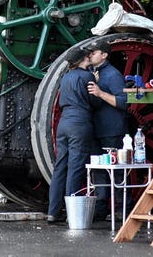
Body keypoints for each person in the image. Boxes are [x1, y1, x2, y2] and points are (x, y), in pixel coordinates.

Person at [46, 47, 97, 223]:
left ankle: (52, 212)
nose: (90, 57)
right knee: (75, 167)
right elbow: (95, 101)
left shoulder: (66, 77)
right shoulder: (87, 76)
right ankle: (71, 214)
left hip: (64, 123)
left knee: (60, 167)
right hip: (79, 122)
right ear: (83, 59)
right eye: (87, 56)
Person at [84, 40, 129, 220]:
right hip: (96, 130)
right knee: (98, 171)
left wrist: (100, 93)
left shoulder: (113, 74)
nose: (90, 55)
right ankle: (101, 209)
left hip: (112, 130)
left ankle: (123, 209)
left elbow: (124, 102)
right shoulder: (92, 73)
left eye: (94, 52)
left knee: (117, 171)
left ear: (104, 55)